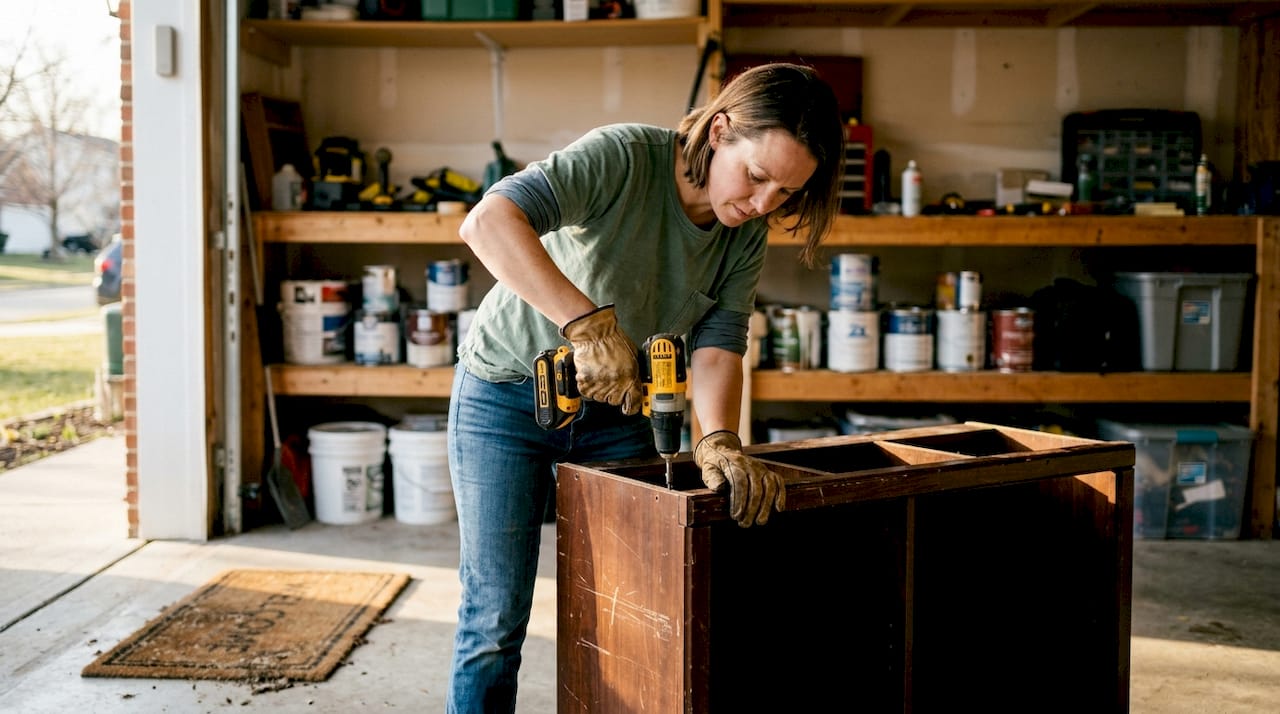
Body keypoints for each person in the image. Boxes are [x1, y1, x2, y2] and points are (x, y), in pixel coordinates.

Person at [446, 61, 846, 713]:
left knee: (629, 609)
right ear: (720, 131)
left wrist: (717, 439)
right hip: (506, 394)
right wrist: (586, 322)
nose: (763, 204)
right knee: (493, 620)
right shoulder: (624, 158)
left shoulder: (742, 237)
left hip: (618, 411)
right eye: (757, 177)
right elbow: (488, 222)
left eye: (785, 195)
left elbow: (719, 346)